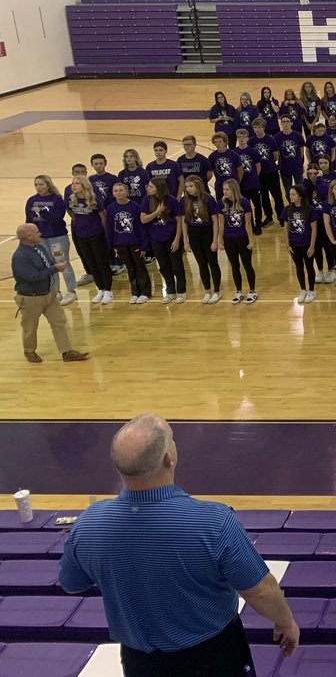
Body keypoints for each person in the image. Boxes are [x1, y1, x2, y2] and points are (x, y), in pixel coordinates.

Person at [59, 414, 298, 673]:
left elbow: (71, 583)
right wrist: (286, 622)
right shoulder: (215, 522)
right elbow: (260, 591)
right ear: (168, 457)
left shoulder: (88, 524)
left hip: (140, 663)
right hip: (213, 657)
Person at [12, 224, 89, 364]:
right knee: (30, 327)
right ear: (29, 237)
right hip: (31, 298)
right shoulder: (20, 257)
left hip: (49, 294)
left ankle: (66, 352)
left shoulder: (39, 248)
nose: (40, 233)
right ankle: (29, 351)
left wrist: (57, 261)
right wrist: (54, 269)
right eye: (37, 232)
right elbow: (32, 277)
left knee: (59, 322)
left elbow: (49, 262)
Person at [26, 175, 78, 304]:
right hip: (41, 239)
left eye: (41, 184)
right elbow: (29, 220)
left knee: (62, 263)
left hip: (57, 237)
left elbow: (56, 218)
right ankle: (55, 292)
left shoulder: (57, 199)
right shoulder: (32, 200)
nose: (38, 187)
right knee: (49, 265)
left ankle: (71, 291)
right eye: (36, 185)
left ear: (48, 185)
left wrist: (41, 211)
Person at [66, 176, 113, 305]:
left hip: (96, 235)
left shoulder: (93, 199)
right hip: (81, 235)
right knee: (91, 263)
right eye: (73, 183)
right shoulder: (72, 199)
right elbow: (72, 214)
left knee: (101, 262)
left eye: (77, 183)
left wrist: (105, 233)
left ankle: (108, 290)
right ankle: (100, 289)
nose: (74, 186)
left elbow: (103, 216)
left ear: (84, 185)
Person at [140, 178, 186, 304]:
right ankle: (170, 291)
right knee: (164, 266)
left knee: (176, 265)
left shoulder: (171, 200)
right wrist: (157, 212)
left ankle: (181, 291)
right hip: (156, 238)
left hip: (171, 237)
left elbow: (179, 221)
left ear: (159, 188)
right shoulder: (146, 200)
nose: (148, 188)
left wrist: (177, 239)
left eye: (151, 187)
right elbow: (143, 219)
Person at [106, 181, 151, 304]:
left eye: (121, 190)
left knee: (140, 267)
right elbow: (110, 228)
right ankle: (135, 292)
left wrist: (143, 245)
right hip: (120, 243)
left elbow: (141, 228)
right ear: (112, 193)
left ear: (126, 192)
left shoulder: (135, 207)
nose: (118, 193)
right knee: (130, 268)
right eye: (116, 191)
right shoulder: (111, 208)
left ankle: (145, 292)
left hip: (135, 243)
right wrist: (113, 245)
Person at [181, 175, 223, 304]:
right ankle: (207, 291)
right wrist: (185, 241)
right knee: (201, 263)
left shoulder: (208, 199)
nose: (188, 189)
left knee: (212, 262)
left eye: (191, 186)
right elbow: (184, 222)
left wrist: (215, 240)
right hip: (194, 235)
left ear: (198, 185)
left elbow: (215, 221)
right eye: (186, 187)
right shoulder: (185, 201)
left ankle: (217, 291)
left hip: (207, 233)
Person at [218, 179, 256, 305]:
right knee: (234, 266)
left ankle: (252, 291)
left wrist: (251, 241)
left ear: (234, 190)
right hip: (229, 239)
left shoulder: (244, 202)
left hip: (242, 238)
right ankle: (238, 291)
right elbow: (221, 224)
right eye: (223, 189)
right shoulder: (222, 204)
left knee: (247, 265)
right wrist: (220, 241)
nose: (224, 192)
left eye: (227, 189)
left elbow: (248, 224)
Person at [282, 185, 319, 304]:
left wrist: (312, 246)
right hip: (294, 244)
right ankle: (303, 289)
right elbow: (286, 227)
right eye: (290, 194)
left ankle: (311, 290)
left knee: (309, 267)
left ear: (300, 196)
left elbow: (314, 229)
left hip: (307, 243)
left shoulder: (310, 210)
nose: (291, 196)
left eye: (293, 194)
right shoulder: (287, 209)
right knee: (299, 267)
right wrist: (287, 245)